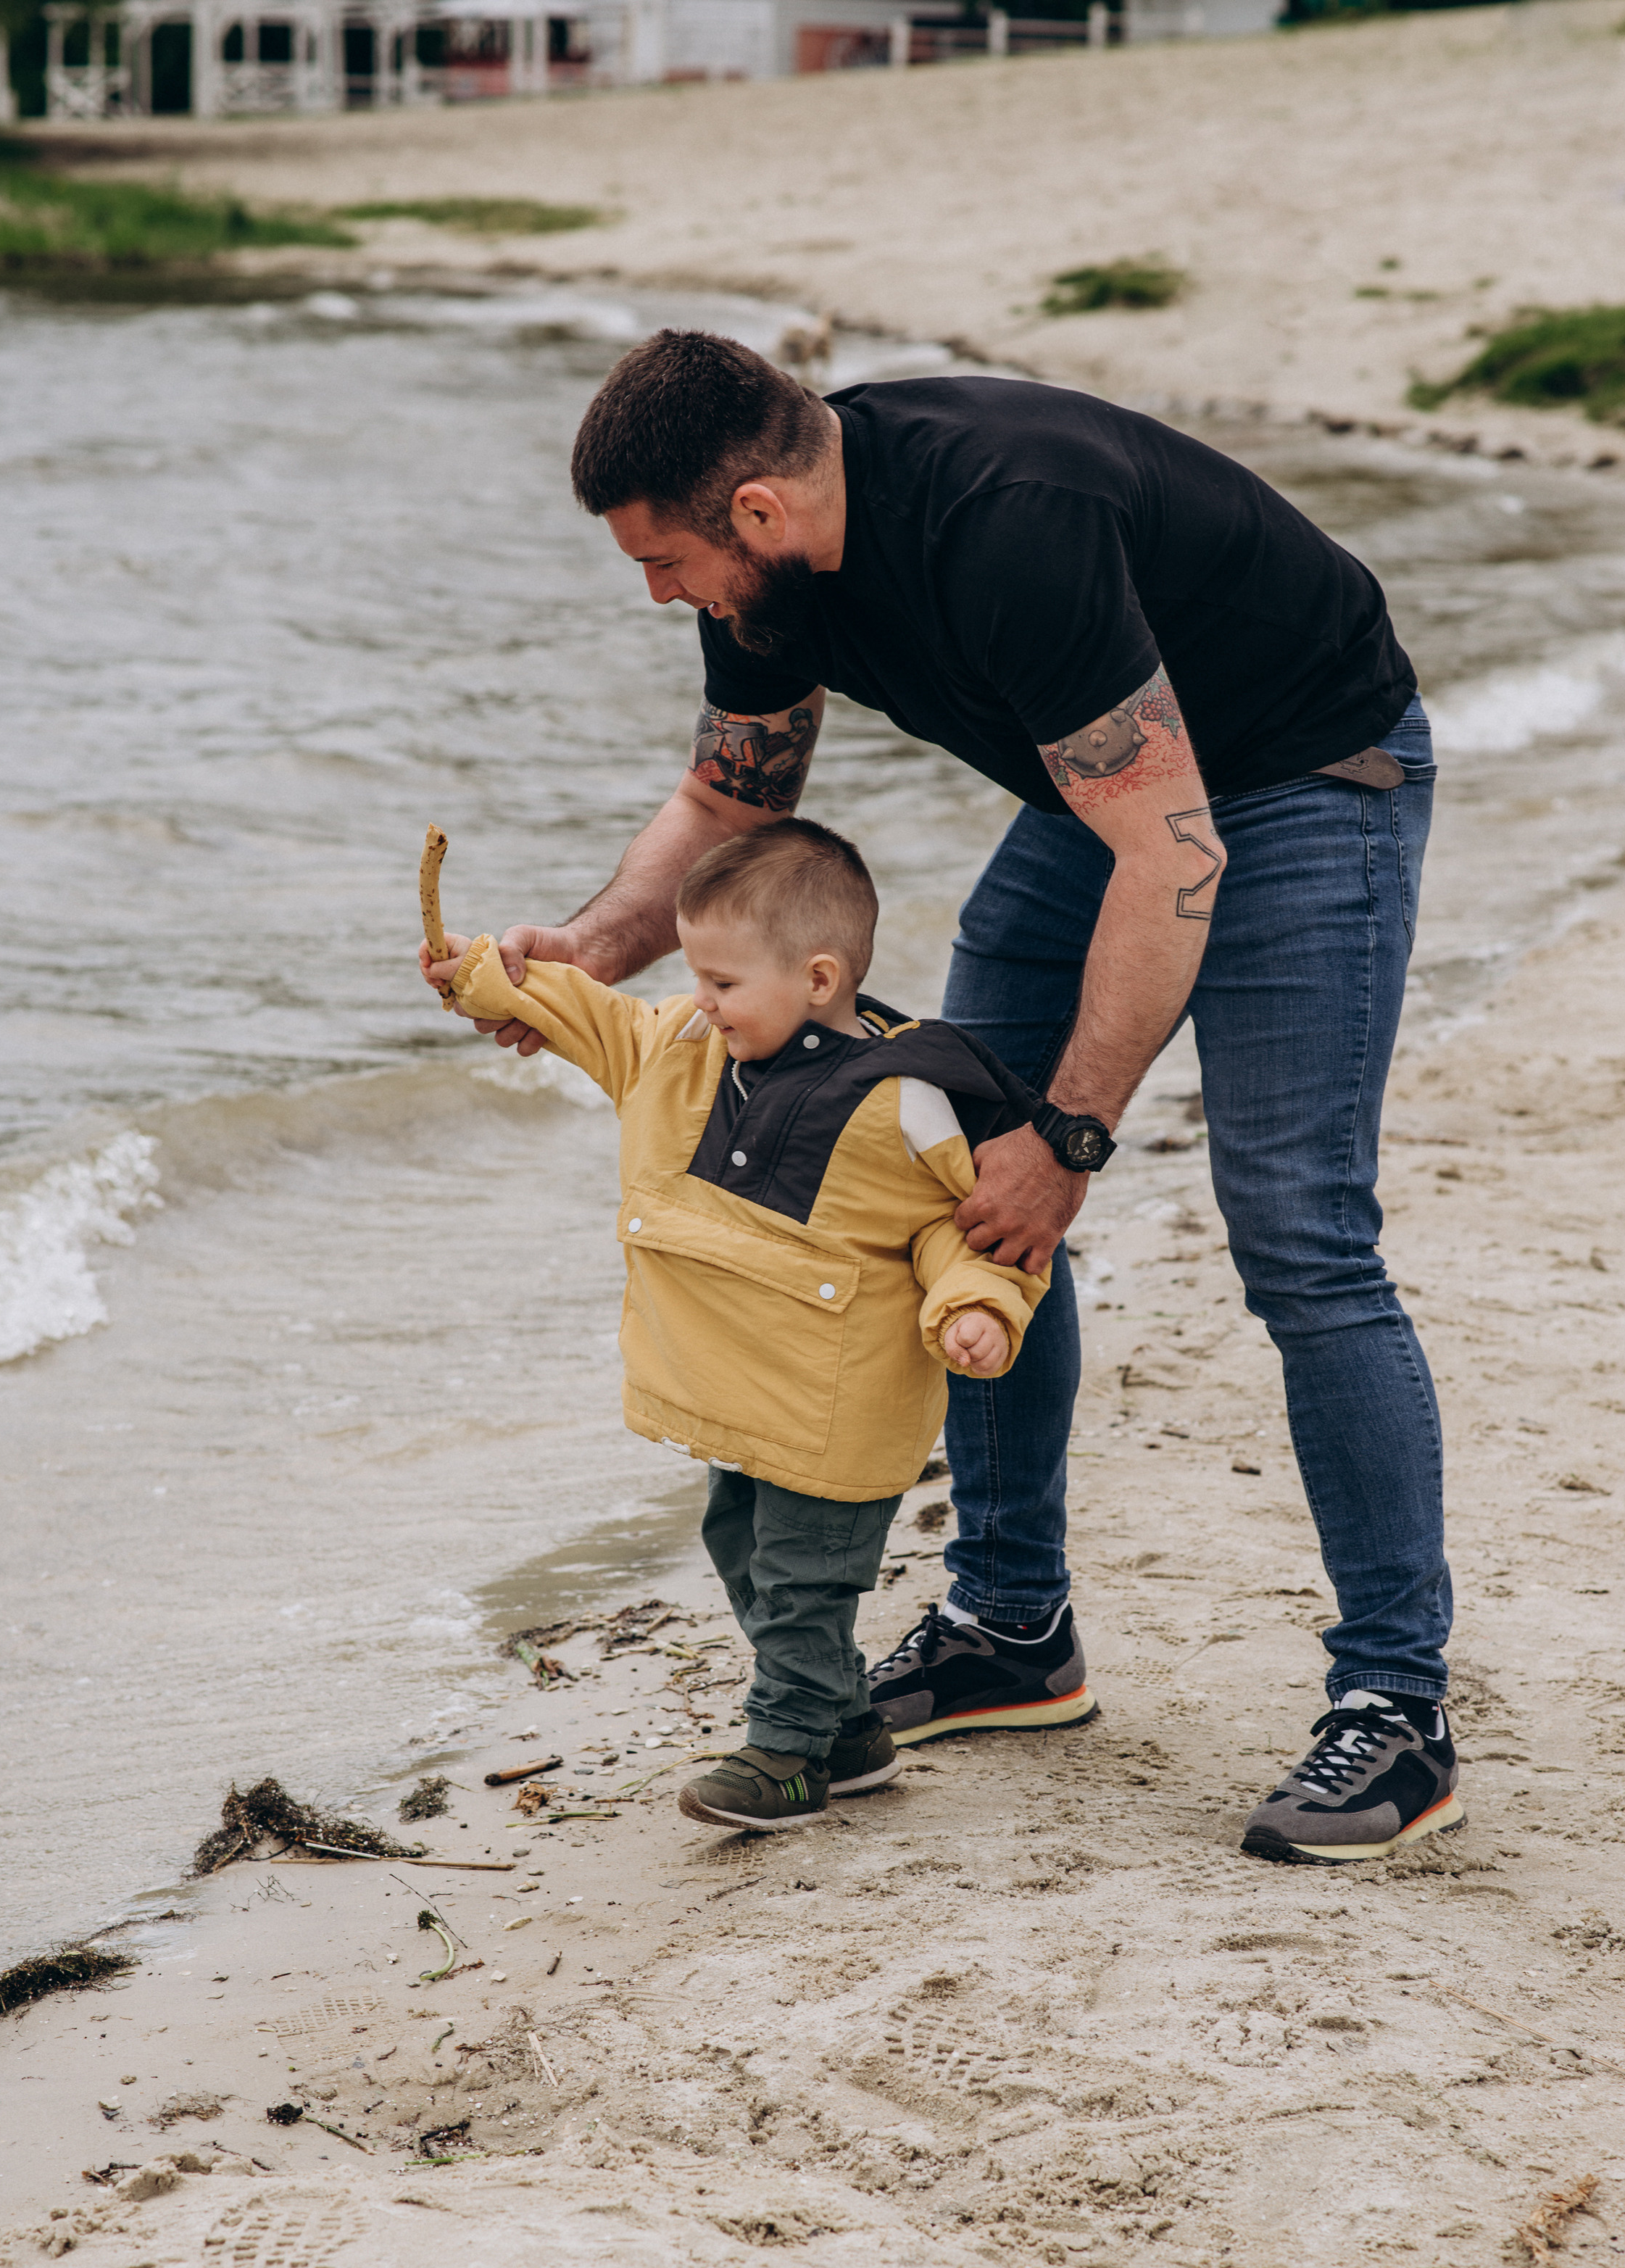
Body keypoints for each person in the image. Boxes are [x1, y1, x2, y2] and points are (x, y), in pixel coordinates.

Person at [446, 329, 1462, 1868]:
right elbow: (734, 796)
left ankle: (1395, 1703)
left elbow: (1171, 858)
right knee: (948, 1174)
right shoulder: (780, 565)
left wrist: (1067, 1138)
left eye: (664, 563)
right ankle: (1009, 1624)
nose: (660, 596)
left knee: (1297, 1230)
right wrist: (586, 951)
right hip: (1113, 794)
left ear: (759, 517)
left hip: (1313, 773)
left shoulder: (1008, 524)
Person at [424, 818, 1075, 1833]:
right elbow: (585, 1009)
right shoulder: (678, 1047)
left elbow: (967, 1234)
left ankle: (784, 1756)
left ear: (818, 980)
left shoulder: (905, 1105)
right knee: (741, 1546)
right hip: (739, 1403)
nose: (700, 1000)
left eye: (723, 982)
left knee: (805, 1581)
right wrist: (479, 974)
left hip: (835, 1409)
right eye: (694, 974)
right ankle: (852, 1734)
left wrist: (979, 1310)